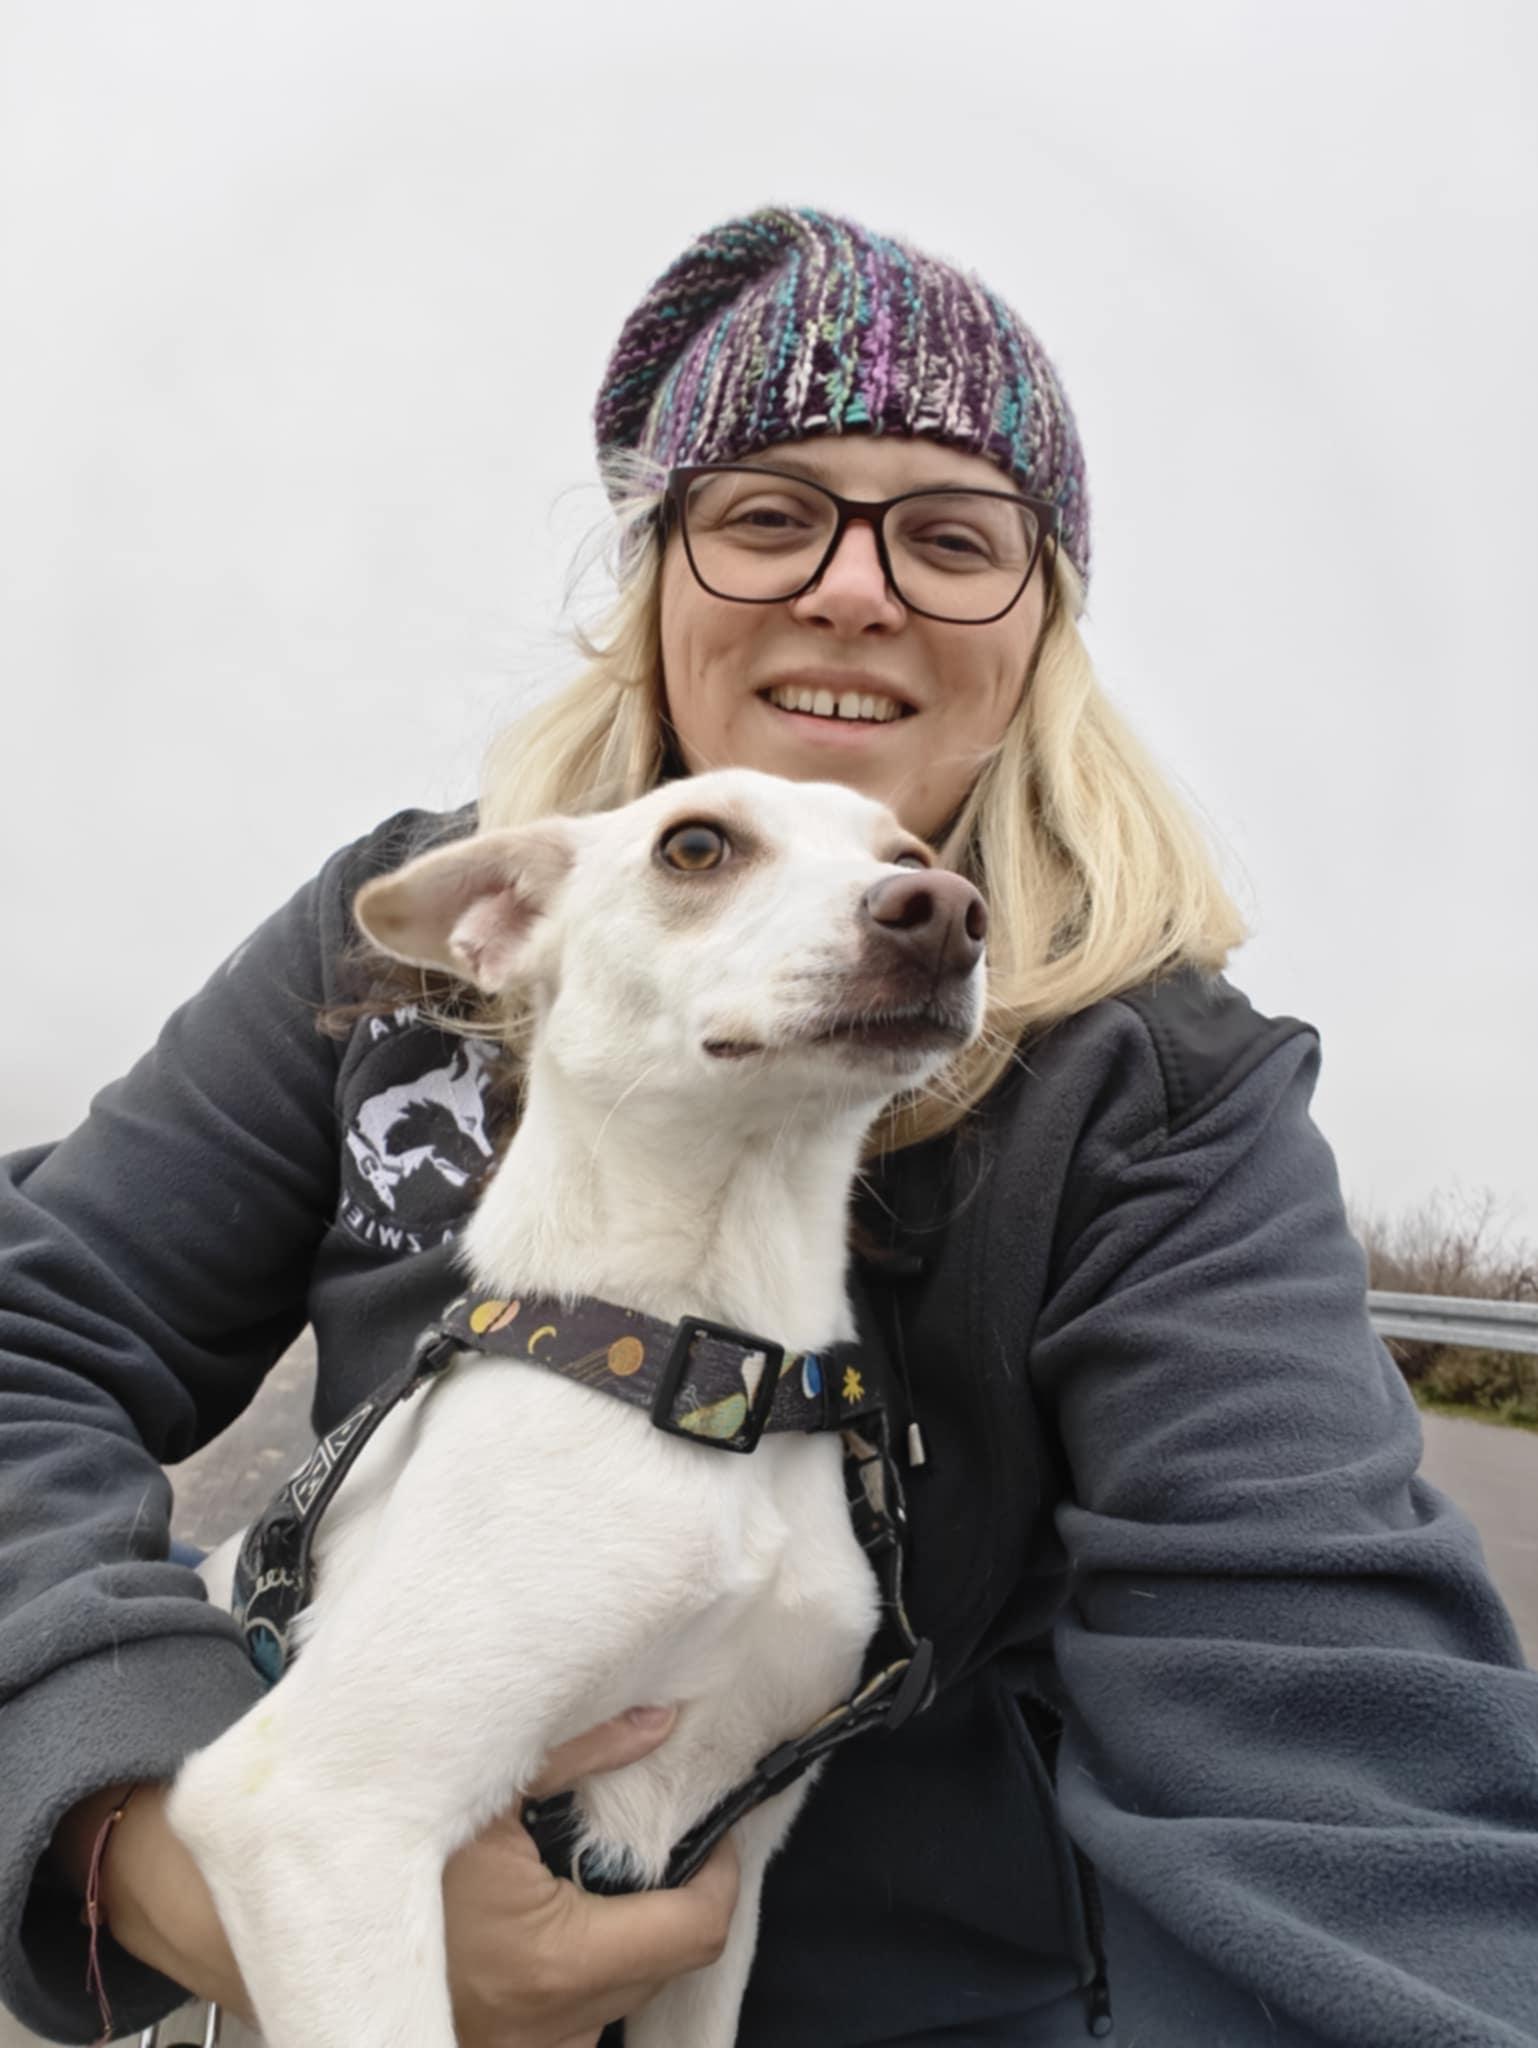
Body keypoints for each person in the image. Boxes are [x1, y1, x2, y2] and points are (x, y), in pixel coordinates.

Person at [1, 204, 1534, 2048]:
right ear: (656, 580)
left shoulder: (1166, 1086)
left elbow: (1322, 1699)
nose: (854, 591)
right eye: (766, 513)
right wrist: (141, 1838)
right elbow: (33, 1340)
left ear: (1036, 635)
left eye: (951, 539)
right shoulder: (398, 932)